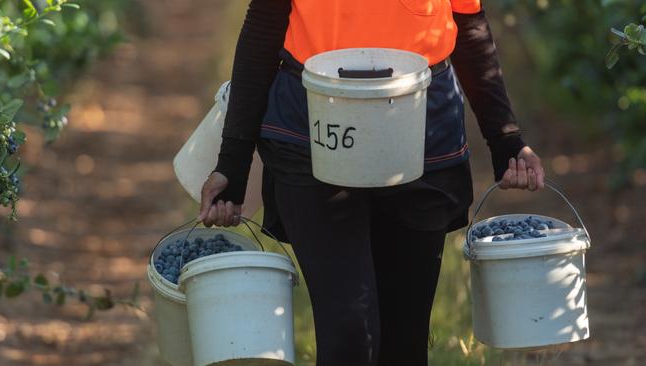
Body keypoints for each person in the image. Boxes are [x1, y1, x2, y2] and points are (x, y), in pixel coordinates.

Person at [197, 1, 545, 365]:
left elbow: (469, 23)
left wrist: (505, 138)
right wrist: (232, 163)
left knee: (404, 342)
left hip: (420, 128)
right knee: (349, 334)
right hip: (315, 126)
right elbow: (264, 26)